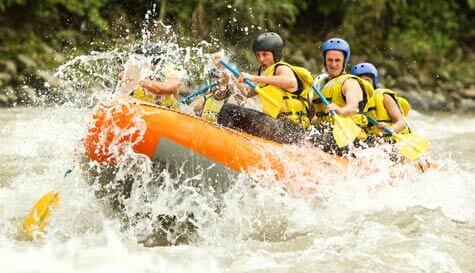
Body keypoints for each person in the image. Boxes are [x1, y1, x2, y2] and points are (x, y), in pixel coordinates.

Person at [216, 32, 312, 128]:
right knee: (236, 111)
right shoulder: (268, 76)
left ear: (275, 54)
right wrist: (230, 76)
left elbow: (291, 82)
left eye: (265, 54)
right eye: (258, 55)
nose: (261, 59)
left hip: (292, 129)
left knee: (229, 110)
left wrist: (253, 78)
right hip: (282, 127)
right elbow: (246, 92)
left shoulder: (281, 67)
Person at [350, 62, 411, 140]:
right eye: (359, 81)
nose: (364, 84)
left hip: (395, 138)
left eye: (367, 80)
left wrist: (388, 130)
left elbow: (401, 123)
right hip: (373, 140)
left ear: (373, 83)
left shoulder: (384, 97)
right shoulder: (352, 103)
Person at [120, 44, 182, 109]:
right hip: (141, 112)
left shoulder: (171, 75)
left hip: (169, 114)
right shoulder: (131, 73)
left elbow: (162, 89)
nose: (136, 64)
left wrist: (138, 80)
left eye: (139, 61)